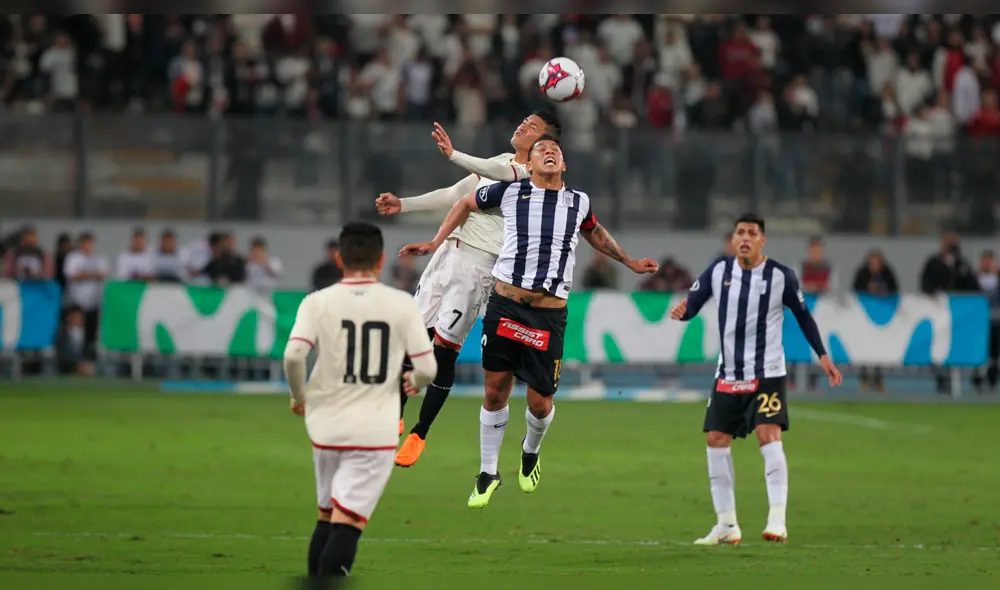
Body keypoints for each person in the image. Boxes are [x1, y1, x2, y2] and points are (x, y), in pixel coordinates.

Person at [400, 136, 658, 508]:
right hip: (505, 305)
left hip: (548, 314)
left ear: (564, 165)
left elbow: (595, 234)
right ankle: (488, 472)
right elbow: (465, 203)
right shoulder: (509, 192)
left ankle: (530, 450)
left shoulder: (578, 202)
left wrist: (630, 262)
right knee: (494, 391)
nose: (549, 152)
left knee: (540, 404)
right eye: (541, 150)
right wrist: (434, 241)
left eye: (556, 150)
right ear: (530, 164)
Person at [374, 111, 561, 468]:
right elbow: (454, 194)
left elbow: (502, 176)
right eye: (523, 120)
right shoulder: (500, 161)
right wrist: (405, 205)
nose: (521, 125)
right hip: (446, 255)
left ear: (543, 144)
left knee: (444, 350)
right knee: (412, 340)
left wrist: (455, 154)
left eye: (532, 127)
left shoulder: (532, 176)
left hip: (479, 267)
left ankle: (420, 433)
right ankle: (394, 417)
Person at [668, 213, 843, 545]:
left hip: (767, 373)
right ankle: (726, 525)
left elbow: (804, 317)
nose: (745, 237)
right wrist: (683, 311)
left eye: (752, 233)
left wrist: (823, 356)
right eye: (740, 232)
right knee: (716, 441)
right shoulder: (718, 270)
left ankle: (777, 519)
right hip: (728, 374)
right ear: (733, 239)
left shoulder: (781, 277)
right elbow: (694, 303)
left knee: (768, 434)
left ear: (763, 240)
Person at [283, 221, 437, 580]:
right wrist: (414, 380)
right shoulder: (401, 304)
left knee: (327, 516)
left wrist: (297, 396)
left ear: (339, 258)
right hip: (375, 429)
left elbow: (293, 357)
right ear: (381, 261)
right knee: (348, 523)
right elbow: (429, 367)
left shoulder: (316, 302)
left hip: (327, 424)